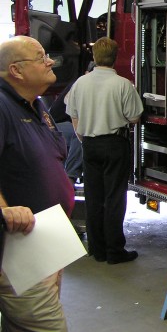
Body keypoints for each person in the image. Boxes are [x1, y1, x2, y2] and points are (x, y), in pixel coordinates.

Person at [0, 35, 75, 332]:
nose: (50, 61)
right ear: (16, 70)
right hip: (20, 251)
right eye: (41, 57)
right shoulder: (2, 107)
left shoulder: (37, 105)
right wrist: (4, 209)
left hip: (46, 244)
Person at [65, 37, 143, 264]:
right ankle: (115, 251)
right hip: (115, 144)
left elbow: (73, 113)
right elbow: (134, 117)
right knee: (114, 198)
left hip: (89, 145)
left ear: (94, 56)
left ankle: (97, 249)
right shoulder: (123, 85)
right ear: (115, 57)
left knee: (94, 196)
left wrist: (82, 136)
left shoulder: (80, 83)